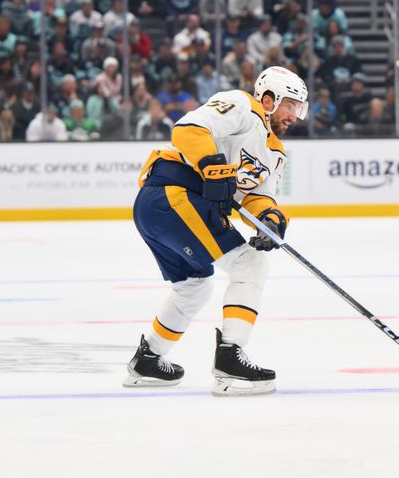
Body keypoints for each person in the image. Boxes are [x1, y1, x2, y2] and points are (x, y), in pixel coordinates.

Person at [123, 66, 309, 396]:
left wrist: (270, 219)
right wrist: (212, 165)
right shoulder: (241, 105)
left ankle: (147, 360)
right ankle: (230, 360)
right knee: (249, 265)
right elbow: (188, 129)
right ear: (269, 99)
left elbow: (257, 196)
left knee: (195, 286)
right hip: (173, 193)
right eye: (291, 105)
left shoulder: (275, 152)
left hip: (162, 207)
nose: (295, 116)